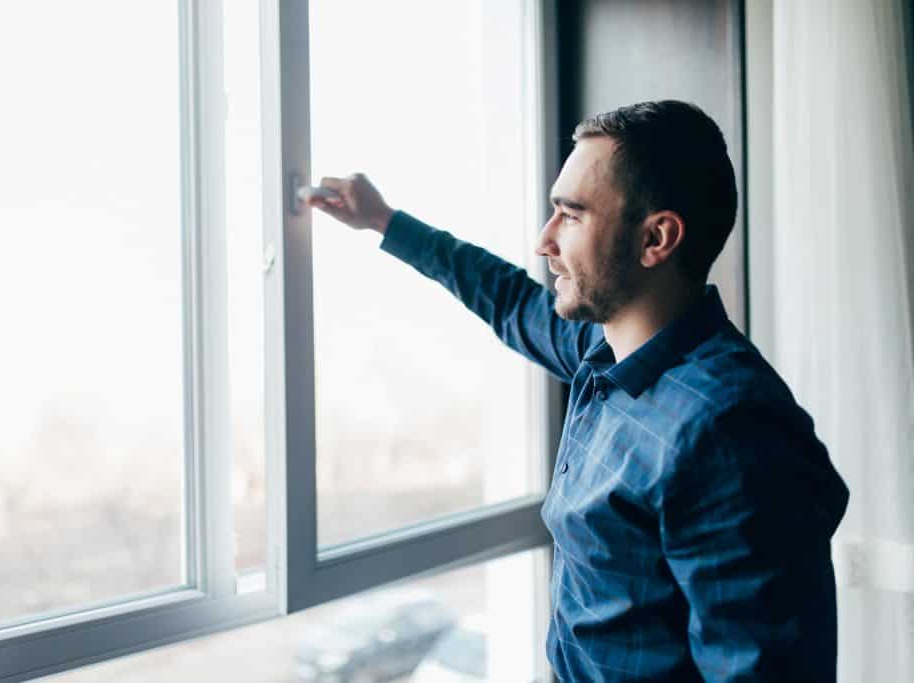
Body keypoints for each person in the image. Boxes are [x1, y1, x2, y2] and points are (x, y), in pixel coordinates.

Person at [303, 100, 849, 682]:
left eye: (571, 214)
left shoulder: (728, 428)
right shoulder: (604, 354)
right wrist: (385, 220)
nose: (544, 241)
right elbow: (510, 299)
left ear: (656, 238)